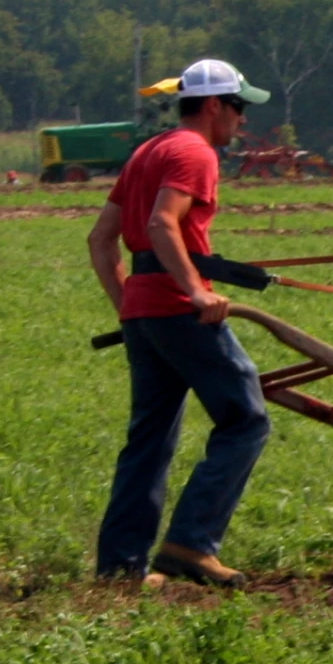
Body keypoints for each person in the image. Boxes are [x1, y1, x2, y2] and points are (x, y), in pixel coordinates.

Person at [86, 60, 274, 587]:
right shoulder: (195, 152)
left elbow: (101, 240)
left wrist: (130, 305)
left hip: (146, 311)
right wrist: (193, 290)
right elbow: (161, 223)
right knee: (246, 420)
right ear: (214, 105)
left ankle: (121, 568)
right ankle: (191, 545)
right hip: (177, 308)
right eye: (238, 107)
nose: (241, 119)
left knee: (149, 439)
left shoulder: (148, 151)